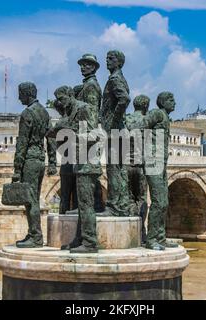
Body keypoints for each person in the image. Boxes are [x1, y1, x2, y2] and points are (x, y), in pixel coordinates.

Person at [47, 86, 101, 253]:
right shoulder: (71, 112)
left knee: (86, 204)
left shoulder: (84, 109)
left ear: (70, 95)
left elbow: (95, 135)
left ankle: (90, 242)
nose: (60, 103)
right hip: (79, 163)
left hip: (88, 164)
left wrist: (73, 136)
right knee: (80, 205)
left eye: (62, 98)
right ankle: (79, 239)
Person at [12, 82, 57, 248]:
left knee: (30, 200)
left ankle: (36, 237)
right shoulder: (44, 113)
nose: (19, 97)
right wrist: (52, 162)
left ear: (27, 93)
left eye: (20, 94)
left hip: (29, 160)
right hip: (40, 160)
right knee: (34, 198)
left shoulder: (27, 113)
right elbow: (51, 139)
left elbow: (22, 143)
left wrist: (17, 169)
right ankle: (33, 233)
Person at [140, 92, 179, 250]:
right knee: (158, 201)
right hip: (153, 162)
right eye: (171, 100)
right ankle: (151, 240)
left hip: (161, 163)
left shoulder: (165, 117)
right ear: (163, 102)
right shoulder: (156, 113)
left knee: (164, 202)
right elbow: (140, 127)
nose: (174, 102)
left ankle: (160, 237)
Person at [100, 50, 132, 216]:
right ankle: (121, 205)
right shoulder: (119, 77)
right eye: (106, 58)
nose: (107, 61)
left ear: (119, 62)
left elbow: (124, 99)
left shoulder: (114, 79)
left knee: (113, 168)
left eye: (110, 58)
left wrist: (114, 120)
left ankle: (114, 207)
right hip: (119, 130)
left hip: (115, 130)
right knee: (119, 169)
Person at [74, 53, 105, 213]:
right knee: (92, 176)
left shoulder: (91, 85)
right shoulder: (87, 84)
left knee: (87, 174)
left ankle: (88, 208)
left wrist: (87, 137)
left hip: (88, 136)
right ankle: (95, 206)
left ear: (93, 67)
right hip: (86, 134)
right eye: (81, 64)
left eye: (86, 64)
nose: (82, 67)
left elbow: (92, 113)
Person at [125, 95, 150, 244]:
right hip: (141, 166)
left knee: (128, 199)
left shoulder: (126, 120)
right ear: (146, 106)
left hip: (127, 165)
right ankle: (141, 232)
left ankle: (129, 233)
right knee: (141, 199)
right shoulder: (147, 121)